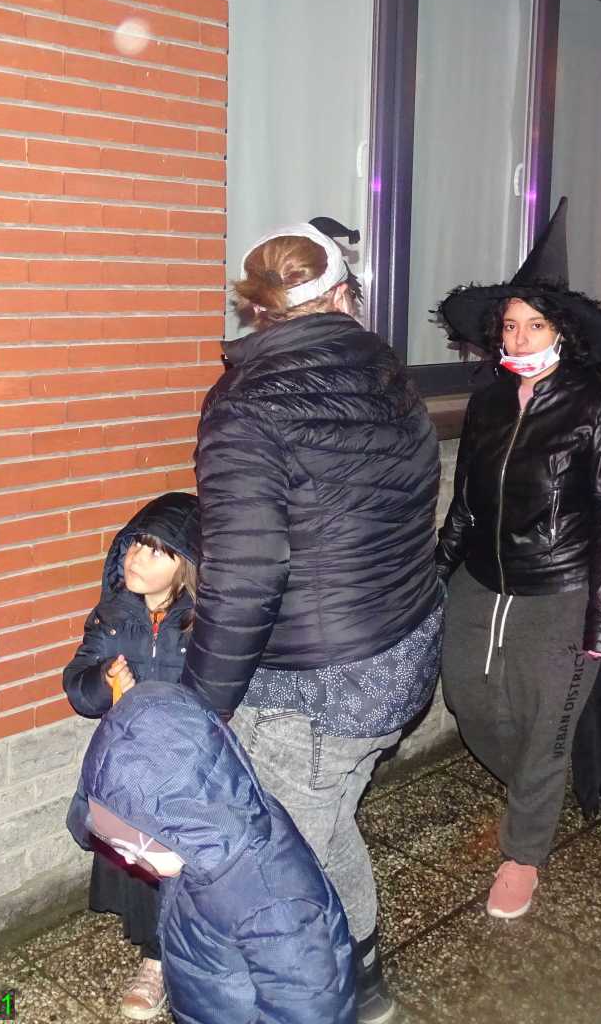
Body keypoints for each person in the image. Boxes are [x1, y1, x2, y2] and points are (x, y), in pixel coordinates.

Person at [183, 218, 443, 1023]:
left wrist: (199, 708)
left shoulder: (246, 404)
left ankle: (318, 997)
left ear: (259, 307)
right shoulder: (390, 375)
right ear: (342, 296)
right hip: (398, 648)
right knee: (325, 826)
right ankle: (362, 985)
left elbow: (246, 574)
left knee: (281, 861)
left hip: (315, 683)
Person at [432, 235, 601, 919]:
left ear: (562, 333)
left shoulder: (596, 408)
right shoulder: (489, 402)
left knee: (547, 725)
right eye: (510, 325)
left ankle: (523, 852)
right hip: (481, 581)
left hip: (560, 590)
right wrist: (435, 575)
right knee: (470, 704)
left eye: (535, 325)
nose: (519, 337)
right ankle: (535, 787)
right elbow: (465, 504)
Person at [68, 683, 355, 1024]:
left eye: (136, 848)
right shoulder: (201, 843)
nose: (129, 861)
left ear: (181, 819)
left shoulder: (275, 909)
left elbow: (308, 1011)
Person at [62, 491, 199, 1021]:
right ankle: (154, 955)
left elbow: (219, 689)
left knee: (184, 863)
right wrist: (104, 680)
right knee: (144, 866)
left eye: (157, 551)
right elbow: (78, 687)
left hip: (184, 764)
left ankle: (168, 958)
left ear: (186, 566)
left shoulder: (203, 621)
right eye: (135, 544)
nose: (137, 558)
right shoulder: (113, 614)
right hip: (128, 766)